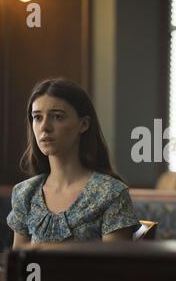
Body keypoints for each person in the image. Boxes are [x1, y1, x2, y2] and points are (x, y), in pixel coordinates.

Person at [7, 78, 140, 247]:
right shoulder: (25, 193)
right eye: (37, 117)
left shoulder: (111, 193)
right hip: (36, 275)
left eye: (57, 117)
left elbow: (113, 269)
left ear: (83, 124)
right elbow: (19, 267)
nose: (44, 127)